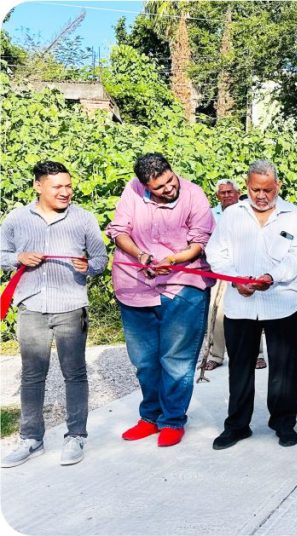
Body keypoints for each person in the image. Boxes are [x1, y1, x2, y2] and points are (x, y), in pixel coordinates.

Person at [0, 161, 107, 467]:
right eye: (57, 187)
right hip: (31, 307)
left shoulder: (83, 219)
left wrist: (90, 266)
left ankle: (76, 436)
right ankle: (31, 439)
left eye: (68, 186)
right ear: (38, 186)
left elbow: (100, 257)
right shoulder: (17, 219)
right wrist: (17, 257)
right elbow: (1, 253)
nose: (65, 192)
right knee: (33, 375)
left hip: (71, 306)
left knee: (74, 372)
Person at [107, 153, 214, 448]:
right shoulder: (132, 191)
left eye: (169, 180)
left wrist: (174, 259)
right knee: (144, 360)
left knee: (176, 359)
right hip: (135, 285)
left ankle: (172, 420)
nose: (169, 189)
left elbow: (198, 243)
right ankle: (150, 417)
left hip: (183, 284)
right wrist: (142, 256)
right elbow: (119, 232)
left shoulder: (193, 195)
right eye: (159, 187)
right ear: (145, 186)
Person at [206, 160, 297, 450]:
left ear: (278, 186)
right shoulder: (232, 215)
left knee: (284, 368)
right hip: (241, 304)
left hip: (283, 303)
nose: (261, 196)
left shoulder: (293, 216)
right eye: (254, 190)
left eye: (267, 190)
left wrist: (272, 277)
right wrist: (235, 278)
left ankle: (283, 423)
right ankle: (237, 426)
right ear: (247, 186)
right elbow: (216, 251)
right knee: (239, 368)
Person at [202, 178, 267, 372]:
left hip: (246, 269)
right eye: (223, 193)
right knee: (217, 313)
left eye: (231, 192)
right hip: (220, 270)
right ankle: (215, 355)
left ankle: (256, 354)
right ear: (217, 196)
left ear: (238, 194)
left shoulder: (248, 211)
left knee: (253, 312)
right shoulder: (210, 215)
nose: (227, 195)